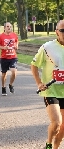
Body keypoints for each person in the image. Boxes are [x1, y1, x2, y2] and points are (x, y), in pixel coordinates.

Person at [31, 20, 64, 149]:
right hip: (51, 90)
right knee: (56, 122)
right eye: (62, 31)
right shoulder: (47, 47)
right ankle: (48, 144)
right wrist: (39, 83)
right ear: (56, 32)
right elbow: (34, 65)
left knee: (62, 127)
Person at [0, 22, 18, 96]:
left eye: (10, 26)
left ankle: (11, 85)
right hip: (4, 57)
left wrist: (16, 46)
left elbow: (16, 41)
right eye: (7, 26)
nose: (9, 28)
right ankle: (3, 87)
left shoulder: (14, 35)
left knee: (14, 71)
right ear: (4, 28)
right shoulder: (1, 36)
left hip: (13, 57)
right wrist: (3, 47)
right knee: (4, 74)